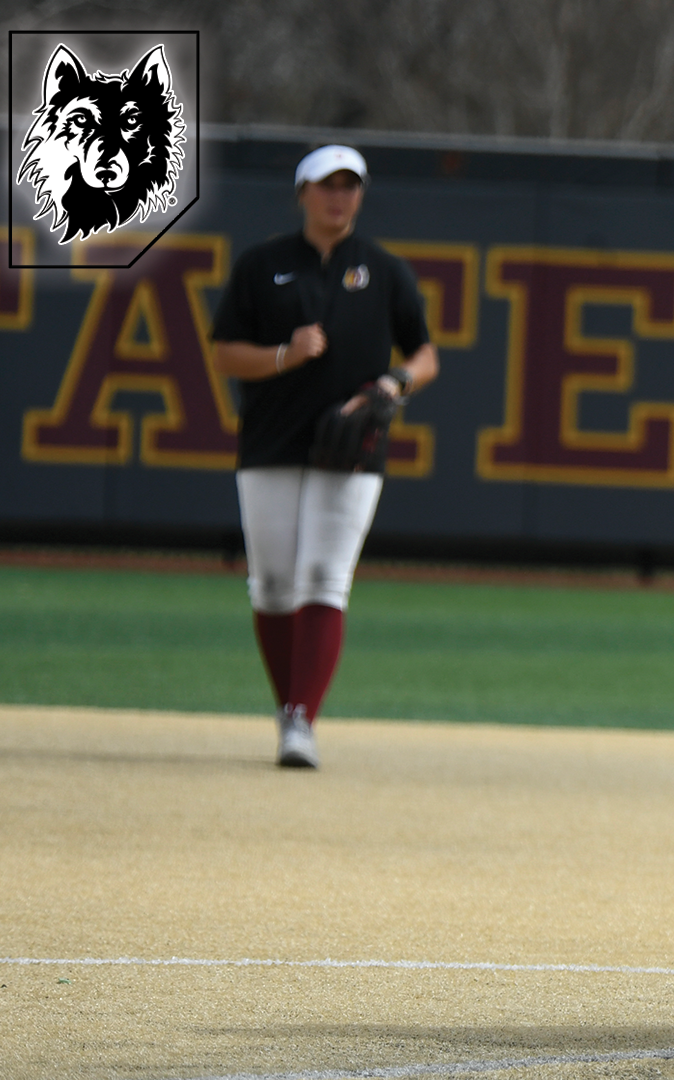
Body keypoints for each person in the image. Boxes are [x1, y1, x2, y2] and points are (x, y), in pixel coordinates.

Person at [210, 145, 437, 768]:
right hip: (272, 440)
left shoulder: (384, 270)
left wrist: (396, 384)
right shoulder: (263, 265)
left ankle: (302, 720)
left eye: (350, 185)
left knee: (325, 580)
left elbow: (424, 352)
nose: (339, 196)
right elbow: (225, 352)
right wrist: (284, 354)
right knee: (273, 585)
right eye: (326, 184)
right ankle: (290, 710)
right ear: (302, 192)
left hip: (351, 445)